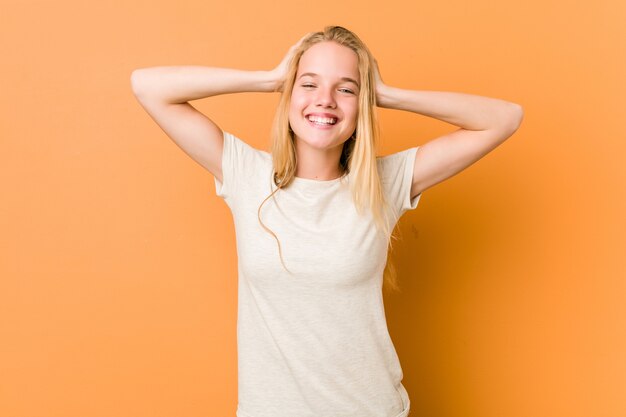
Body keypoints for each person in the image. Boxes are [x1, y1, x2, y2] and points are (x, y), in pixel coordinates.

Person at [131, 25, 523, 417]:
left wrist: (385, 94)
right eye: (309, 84)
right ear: (289, 94)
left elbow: (504, 118)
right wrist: (268, 79)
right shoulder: (246, 173)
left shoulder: (383, 182)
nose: (326, 101)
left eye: (346, 89)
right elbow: (148, 86)